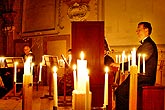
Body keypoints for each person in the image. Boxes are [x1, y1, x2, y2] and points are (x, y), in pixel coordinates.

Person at [110, 22, 158, 110]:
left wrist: (120, 65)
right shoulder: (146, 44)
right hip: (140, 76)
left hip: (144, 78)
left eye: (139, 29)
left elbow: (136, 62)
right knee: (119, 91)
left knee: (120, 92)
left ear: (146, 30)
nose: (137, 31)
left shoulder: (148, 45)